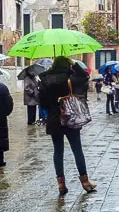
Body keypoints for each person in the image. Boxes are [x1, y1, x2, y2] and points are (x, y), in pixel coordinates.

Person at [39, 56, 96, 196]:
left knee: (58, 151)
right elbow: (85, 77)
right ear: (67, 65)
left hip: (54, 118)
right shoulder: (71, 78)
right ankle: (85, 182)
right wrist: (74, 64)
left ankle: (61, 184)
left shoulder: (45, 80)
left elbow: (43, 104)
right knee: (77, 149)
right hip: (71, 118)